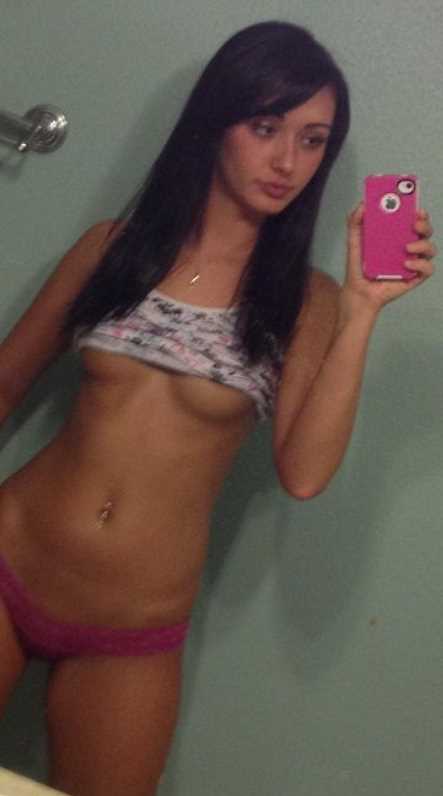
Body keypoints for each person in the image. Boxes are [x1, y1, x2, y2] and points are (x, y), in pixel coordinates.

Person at [0, 19, 436, 796]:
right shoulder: (112, 248)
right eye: (265, 127)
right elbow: (6, 384)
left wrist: (363, 311)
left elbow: (303, 474)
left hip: (131, 628)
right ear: (216, 121)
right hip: (10, 563)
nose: (287, 161)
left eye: (312, 140)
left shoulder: (305, 303)